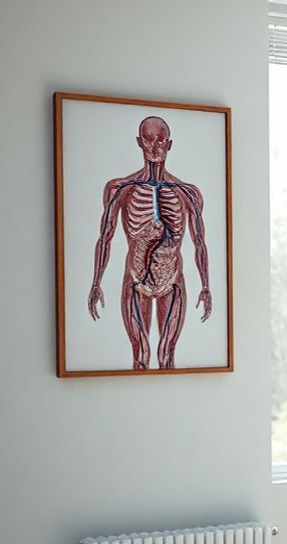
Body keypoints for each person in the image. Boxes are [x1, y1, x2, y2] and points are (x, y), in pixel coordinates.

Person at [89, 116, 211, 370]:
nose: (155, 147)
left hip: (173, 281)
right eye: (148, 140)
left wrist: (206, 286)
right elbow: (105, 236)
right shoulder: (121, 188)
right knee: (140, 356)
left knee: (167, 357)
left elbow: (199, 241)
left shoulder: (187, 192)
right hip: (136, 280)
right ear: (139, 142)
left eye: (161, 140)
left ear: (170, 144)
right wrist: (96, 283)